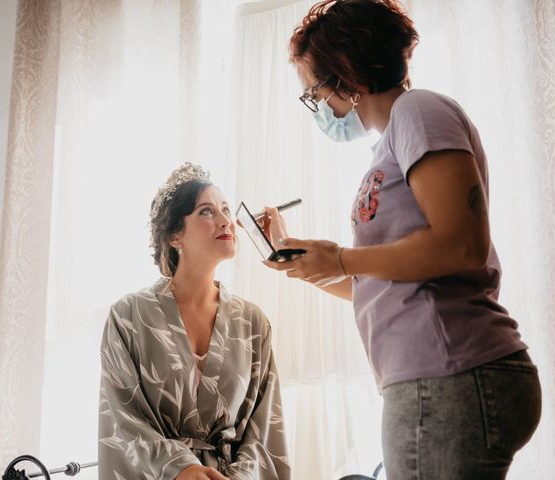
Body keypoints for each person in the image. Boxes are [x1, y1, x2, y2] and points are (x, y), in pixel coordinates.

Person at [261, 1, 542, 479]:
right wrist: (314, 268)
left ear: (346, 76)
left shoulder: (419, 110)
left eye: (315, 93)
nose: (320, 107)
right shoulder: (395, 138)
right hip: (440, 376)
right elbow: (391, 283)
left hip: (447, 372)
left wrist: (344, 256)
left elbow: (461, 245)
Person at [98, 162, 291, 480]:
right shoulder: (129, 317)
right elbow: (122, 418)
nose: (225, 220)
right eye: (206, 211)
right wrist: (179, 468)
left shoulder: (253, 323)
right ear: (175, 235)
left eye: (226, 209)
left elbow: (265, 426)